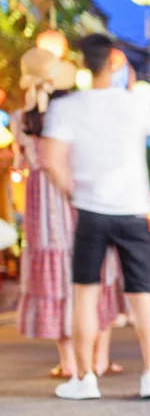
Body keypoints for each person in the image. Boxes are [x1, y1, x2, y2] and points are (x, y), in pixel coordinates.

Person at [39, 33, 150, 400]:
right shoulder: (138, 103)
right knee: (142, 297)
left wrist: (74, 192)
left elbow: (52, 161)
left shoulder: (67, 107)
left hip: (91, 210)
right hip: (132, 209)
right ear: (116, 61)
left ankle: (85, 379)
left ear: (82, 63)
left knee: (84, 296)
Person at [14, 48, 125, 381]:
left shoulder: (22, 119)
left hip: (43, 210)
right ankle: (100, 358)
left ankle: (70, 363)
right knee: (96, 275)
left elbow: (22, 164)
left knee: (57, 281)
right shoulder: (75, 112)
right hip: (80, 196)